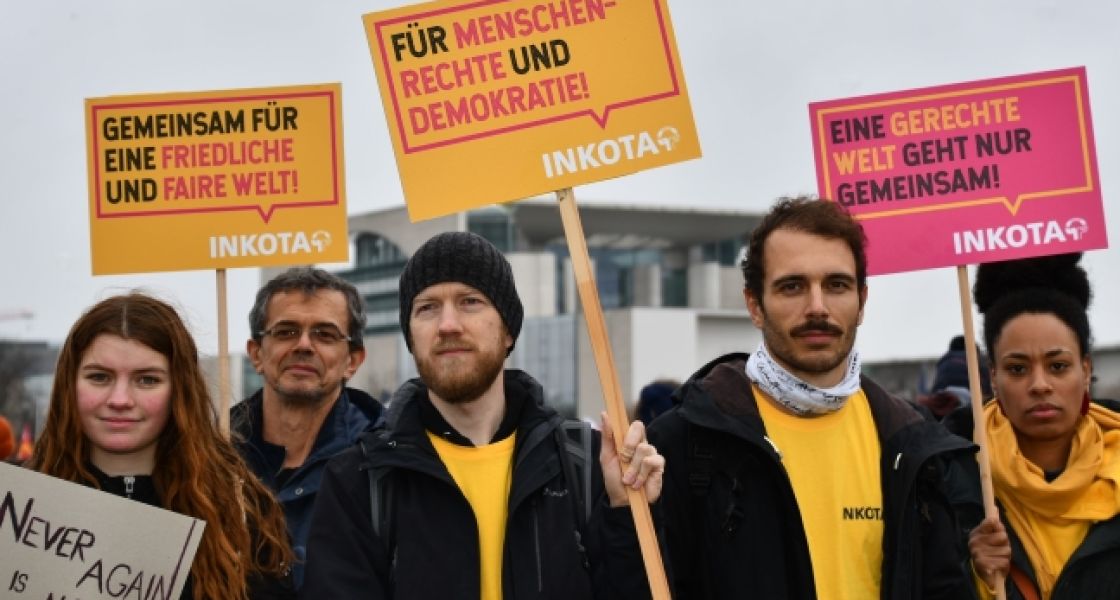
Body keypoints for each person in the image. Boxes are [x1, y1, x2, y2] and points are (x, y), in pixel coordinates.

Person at [301, 231, 665, 599]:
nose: (448, 325)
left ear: (508, 330)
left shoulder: (588, 464)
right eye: (427, 307)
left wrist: (626, 513)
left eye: (470, 301)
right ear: (411, 337)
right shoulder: (360, 480)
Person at [647, 197, 973, 599]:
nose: (816, 307)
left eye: (836, 285)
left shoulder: (910, 441)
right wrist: (620, 516)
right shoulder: (683, 443)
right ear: (755, 305)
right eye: (792, 287)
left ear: (862, 301)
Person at [29, 293, 294, 600]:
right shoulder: (18, 506)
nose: (120, 400)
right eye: (99, 377)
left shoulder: (239, 507)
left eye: (147, 380)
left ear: (178, 390)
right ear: (69, 384)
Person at [949, 253, 1120, 599]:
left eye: (1057, 366)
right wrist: (973, 574)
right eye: (1017, 369)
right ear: (993, 377)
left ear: (1085, 370)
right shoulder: (948, 480)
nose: (1039, 384)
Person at [232, 267, 383, 588]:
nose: (303, 345)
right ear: (256, 354)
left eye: (325, 335)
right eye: (285, 331)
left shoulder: (385, 465)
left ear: (352, 361)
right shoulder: (209, 458)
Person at [918, 335, 992, 420]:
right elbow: (988, 391)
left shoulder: (944, 361)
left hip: (943, 403)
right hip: (969, 402)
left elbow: (936, 387)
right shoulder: (979, 361)